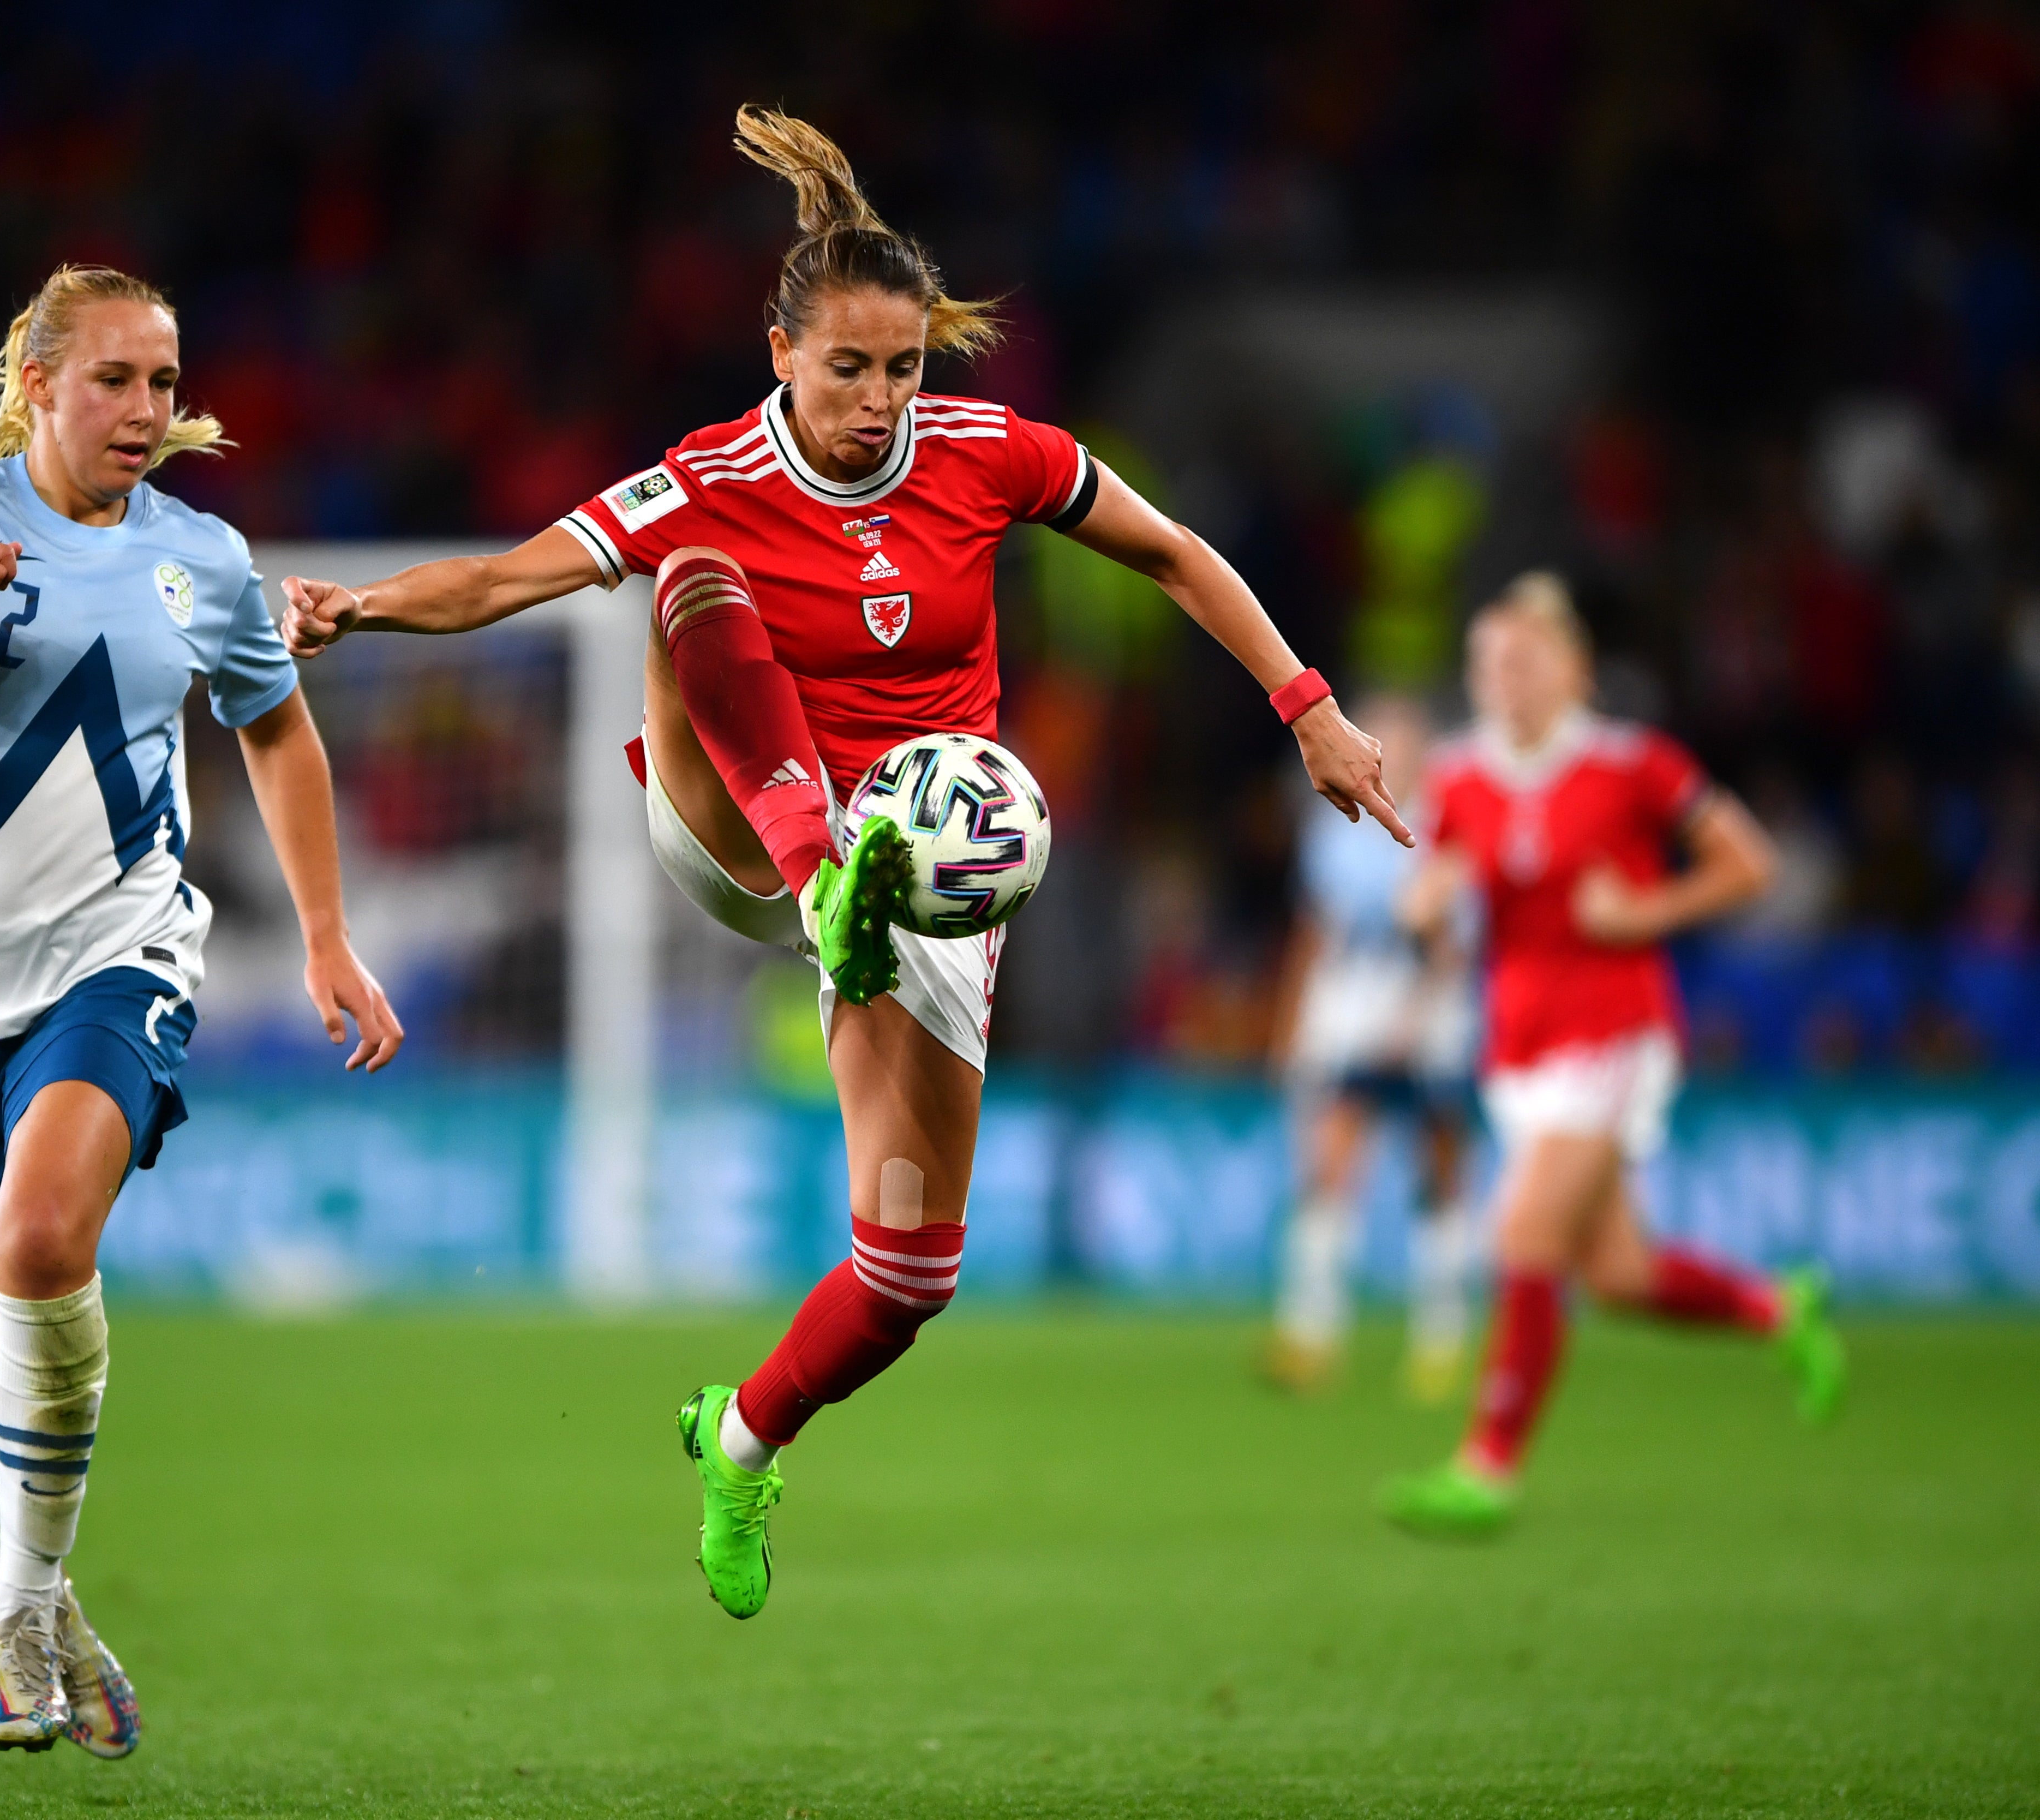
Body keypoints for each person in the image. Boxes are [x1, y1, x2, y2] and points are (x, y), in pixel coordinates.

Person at [276, 107, 1408, 1618]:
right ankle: (828, 869)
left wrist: (1308, 707)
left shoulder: (990, 455)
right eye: (848, 368)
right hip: (745, 829)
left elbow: (1174, 550)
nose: (880, 401)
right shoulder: (711, 475)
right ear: (781, 353)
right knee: (689, 571)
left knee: (908, 1277)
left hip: (933, 863)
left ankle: (739, 1441)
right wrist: (359, 613)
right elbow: (501, 575)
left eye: (905, 368)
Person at [0, 265, 402, 1746]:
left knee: (44, 1240)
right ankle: (39, 1590)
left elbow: (275, 728)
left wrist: (326, 937)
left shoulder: (204, 558)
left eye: (165, 383)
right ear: (36, 384)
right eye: (116, 380)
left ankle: (14, 1625)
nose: (148, 411)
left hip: (119, 952)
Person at [1378, 573, 1844, 1539]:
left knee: (1524, 1236)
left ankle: (1487, 1467)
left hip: (1617, 1031)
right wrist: (1425, 907)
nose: (1500, 676)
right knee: (1619, 1276)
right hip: (1520, 1045)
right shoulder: (1461, 774)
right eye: (1486, 661)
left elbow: (1751, 863)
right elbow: (1435, 891)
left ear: (1575, 668)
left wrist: (1644, 914)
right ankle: (1777, 1309)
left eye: (1521, 658)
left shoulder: (1638, 765)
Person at [1264, 693, 1479, 1402]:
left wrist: (1415, 1021)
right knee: (1330, 1166)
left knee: (1439, 1172)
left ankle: (1441, 1340)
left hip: (1432, 1008)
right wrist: (1292, 1025)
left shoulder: (1453, 828)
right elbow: (1316, 929)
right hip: (1354, 1002)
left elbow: (1456, 944)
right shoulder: (1337, 829)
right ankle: (1311, 1334)